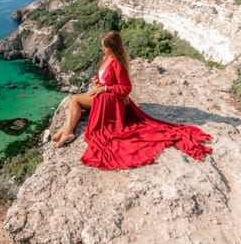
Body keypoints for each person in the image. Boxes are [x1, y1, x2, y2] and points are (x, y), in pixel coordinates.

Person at [52, 30, 212, 170]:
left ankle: (67, 132)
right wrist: (99, 81)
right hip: (105, 96)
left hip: (111, 101)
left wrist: (105, 88)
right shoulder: (106, 58)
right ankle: (67, 129)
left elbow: (125, 88)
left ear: (112, 47)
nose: (102, 49)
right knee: (75, 101)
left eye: (104, 46)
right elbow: (108, 79)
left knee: (74, 100)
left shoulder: (116, 64)